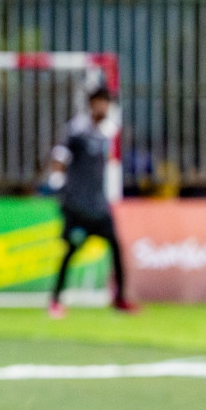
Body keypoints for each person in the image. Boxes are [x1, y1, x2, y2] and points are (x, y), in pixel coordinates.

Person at [47, 85, 136, 317]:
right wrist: (58, 183)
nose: (103, 107)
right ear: (90, 104)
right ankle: (56, 300)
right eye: (99, 102)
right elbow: (60, 156)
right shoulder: (77, 130)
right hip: (77, 205)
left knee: (116, 247)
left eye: (106, 103)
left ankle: (120, 298)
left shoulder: (104, 133)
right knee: (70, 251)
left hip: (99, 206)